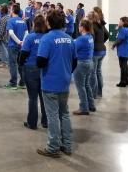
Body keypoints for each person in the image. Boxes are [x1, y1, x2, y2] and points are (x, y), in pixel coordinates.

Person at [36, 10, 76, 158]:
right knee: (64, 113)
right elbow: (74, 61)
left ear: (49, 22)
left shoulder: (47, 39)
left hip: (50, 82)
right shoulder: (69, 38)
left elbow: (40, 62)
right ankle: (67, 145)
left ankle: (53, 147)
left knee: (52, 115)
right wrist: (65, 72)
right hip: (65, 81)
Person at [19, 14, 48, 129]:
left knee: (32, 97)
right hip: (44, 69)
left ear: (34, 24)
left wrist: (21, 65)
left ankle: (32, 122)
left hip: (31, 68)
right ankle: (45, 121)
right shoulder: (47, 37)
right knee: (43, 97)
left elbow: (23, 54)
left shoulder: (30, 37)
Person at [72, 18, 96, 115]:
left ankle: (84, 108)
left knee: (80, 87)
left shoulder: (82, 39)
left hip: (81, 64)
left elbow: (73, 48)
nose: (78, 27)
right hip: (89, 62)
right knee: (86, 85)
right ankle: (91, 105)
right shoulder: (90, 37)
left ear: (82, 27)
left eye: (79, 25)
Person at [5, 4, 28, 90]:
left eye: (11, 9)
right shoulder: (23, 21)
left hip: (13, 45)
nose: (10, 11)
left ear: (13, 10)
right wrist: (22, 42)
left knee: (13, 64)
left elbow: (11, 33)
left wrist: (18, 42)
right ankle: (22, 82)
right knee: (21, 64)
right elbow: (26, 33)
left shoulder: (11, 21)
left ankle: (13, 82)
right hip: (22, 46)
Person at [89, 8, 109, 98]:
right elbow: (107, 34)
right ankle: (99, 92)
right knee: (98, 72)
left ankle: (94, 93)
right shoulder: (101, 25)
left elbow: (91, 40)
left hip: (95, 52)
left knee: (93, 73)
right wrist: (101, 42)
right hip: (102, 50)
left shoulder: (92, 26)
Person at [112, 17, 128, 88]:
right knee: (125, 65)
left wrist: (113, 45)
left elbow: (119, 39)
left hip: (123, 49)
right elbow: (120, 36)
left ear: (124, 22)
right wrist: (118, 29)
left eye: (120, 21)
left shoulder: (124, 30)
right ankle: (127, 80)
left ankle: (123, 82)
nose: (119, 22)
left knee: (122, 66)